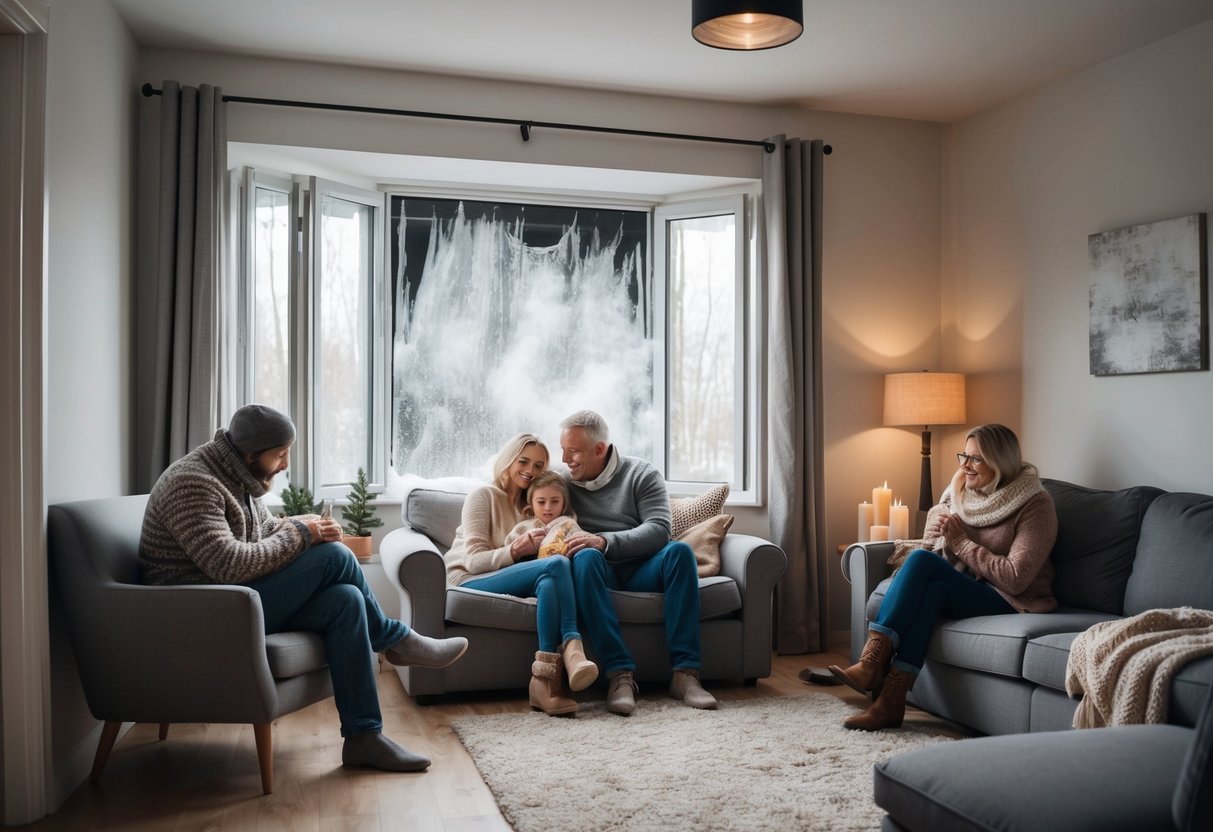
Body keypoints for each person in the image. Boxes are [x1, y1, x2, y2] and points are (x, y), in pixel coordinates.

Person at [139, 404, 469, 772]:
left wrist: (301, 523)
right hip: (203, 613)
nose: (284, 464)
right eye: (280, 455)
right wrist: (303, 534)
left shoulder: (235, 473)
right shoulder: (194, 484)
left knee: (346, 600)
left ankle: (364, 738)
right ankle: (395, 640)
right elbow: (229, 565)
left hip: (235, 601)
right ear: (251, 454)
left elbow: (261, 531)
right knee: (335, 557)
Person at [829, 423, 1058, 731]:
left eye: (976, 459)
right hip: (965, 584)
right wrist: (934, 535)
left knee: (924, 565)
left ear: (1001, 462)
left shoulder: (1035, 504)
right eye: (964, 455)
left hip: (1010, 599)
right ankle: (890, 703)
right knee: (932, 591)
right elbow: (934, 554)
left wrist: (961, 542)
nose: (965, 465)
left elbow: (1016, 578)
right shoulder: (959, 490)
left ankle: (871, 663)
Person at [559, 409, 716, 715]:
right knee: (585, 556)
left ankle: (685, 675)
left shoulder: (641, 473)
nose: (566, 460)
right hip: (597, 571)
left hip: (642, 568)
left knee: (680, 552)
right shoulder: (563, 482)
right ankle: (619, 675)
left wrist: (605, 540)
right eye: (563, 450)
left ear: (600, 449)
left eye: (573, 451)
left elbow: (659, 529)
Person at [443, 435, 598, 716]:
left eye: (539, 465)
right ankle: (573, 648)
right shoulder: (483, 496)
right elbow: (474, 561)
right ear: (508, 460)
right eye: (523, 461)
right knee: (556, 566)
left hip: (509, 575)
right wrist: (514, 550)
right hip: (469, 578)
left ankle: (544, 684)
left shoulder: (534, 504)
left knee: (550, 580)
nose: (530, 470)